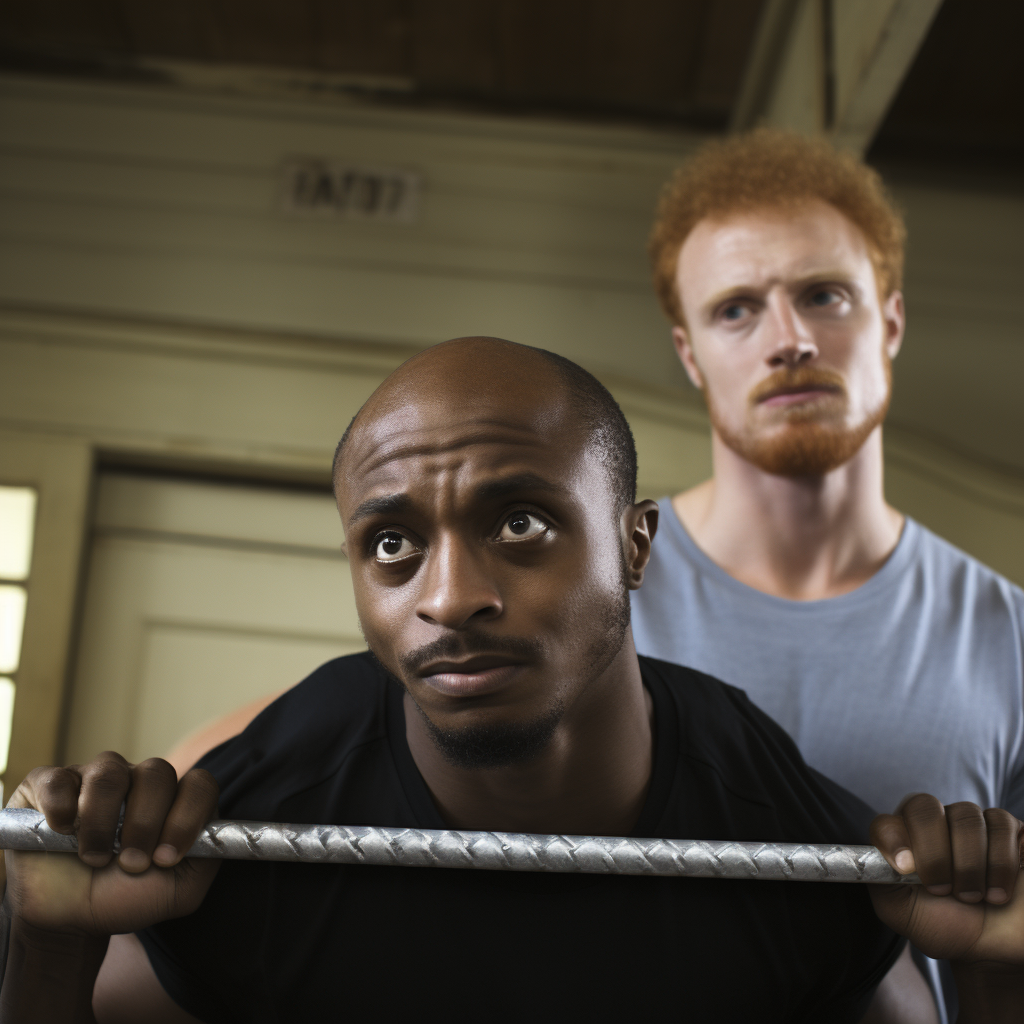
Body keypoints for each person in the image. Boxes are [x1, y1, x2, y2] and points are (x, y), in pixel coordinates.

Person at [3, 338, 1023, 1023]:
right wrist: (51, 945)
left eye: (520, 522)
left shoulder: (782, 831)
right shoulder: (258, 820)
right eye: (393, 542)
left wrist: (986, 969)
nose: (449, 596)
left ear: (633, 546)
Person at [629, 129, 1024, 1022]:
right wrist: (233, 777)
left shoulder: (1011, 637)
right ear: (690, 355)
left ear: (888, 320)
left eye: (823, 295)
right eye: (737, 309)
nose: (791, 339)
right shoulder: (588, 594)